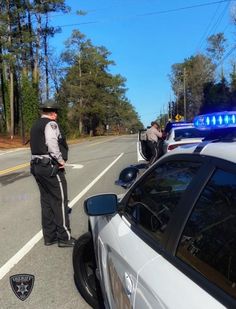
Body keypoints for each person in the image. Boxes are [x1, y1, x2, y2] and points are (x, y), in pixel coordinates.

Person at [30, 99, 75, 247]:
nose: (56, 114)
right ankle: (64, 237)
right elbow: (51, 143)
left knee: (46, 202)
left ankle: (49, 237)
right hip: (50, 167)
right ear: (53, 113)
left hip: (37, 167)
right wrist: (61, 160)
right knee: (60, 201)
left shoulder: (36, 124)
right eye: (56, 112)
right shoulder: (51, 124)